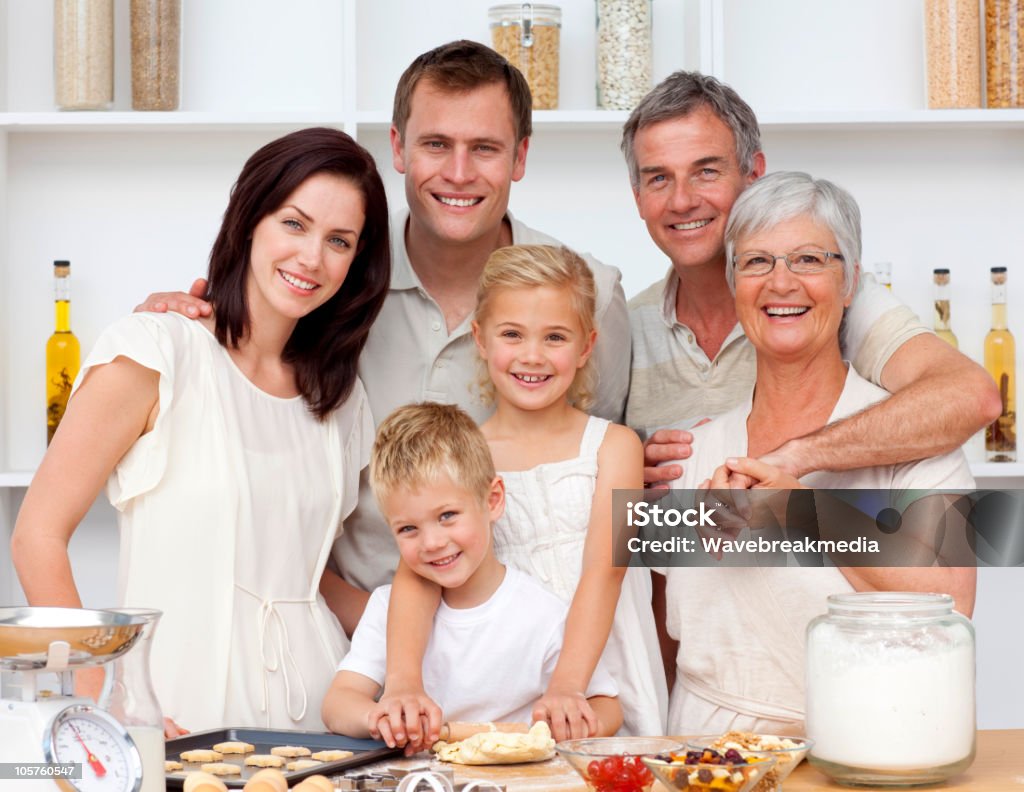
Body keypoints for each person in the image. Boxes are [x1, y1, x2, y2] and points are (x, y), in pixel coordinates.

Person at [134, 40, 631, 597]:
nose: (459, 173)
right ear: (398, 147)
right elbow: (248, 422)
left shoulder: (592, 296)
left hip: (536, 652)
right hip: (347, 638)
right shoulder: (330, 277)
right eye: (436, 145)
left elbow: (618, 507)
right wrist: (179, 326)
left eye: (485, 148)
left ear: (520, 156)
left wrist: (737, 517)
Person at [11, 127, 391, 733]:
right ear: (248, 221)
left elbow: (298, 565)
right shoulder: (156, 350)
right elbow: (37, 534)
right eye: (294, 224)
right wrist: (105, 693)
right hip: (174, 713)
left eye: (339, 241)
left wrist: (435, 632)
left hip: (322, 724)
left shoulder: (341, 400)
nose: (312, 258)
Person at [658, 171, 977, 735]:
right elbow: (661, 634)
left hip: (867, 750)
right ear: (734, 283)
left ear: (851, 281)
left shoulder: (916, 444)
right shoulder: (687, 451)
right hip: (705, 757)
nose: (781, 283)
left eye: (809, 259)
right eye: (756, 261)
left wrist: (800, 512)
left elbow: (950, 604)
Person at [622, 71, 1000, 484]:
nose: (682, 201)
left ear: (754, 174)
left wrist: (796, 459)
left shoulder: (836, 300)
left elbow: (971, 396)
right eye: (659, 178)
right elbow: (564, 453)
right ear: (637, 194)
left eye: (706, 171)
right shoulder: (623, 327)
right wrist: (614, 469)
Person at [377, 246, 664, 746]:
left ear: (586, 345)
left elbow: (606, 569)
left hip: (594, 675)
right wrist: (402, 682)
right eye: (512, 334)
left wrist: (568, 688)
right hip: (506, 682)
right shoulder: (462, 451)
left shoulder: (615, 447)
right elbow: (417, 574)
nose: (532, 356)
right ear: (480, 339)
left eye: (555, 337)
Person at [322, 401, 622, 744]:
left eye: (448, 515)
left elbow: (608, 706)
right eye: (408, 529)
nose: (432, 542)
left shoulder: (541, 615)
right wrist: (378, 716)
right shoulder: (387, 610)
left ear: (493, 500)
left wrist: (574, 720)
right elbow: (337, 702)